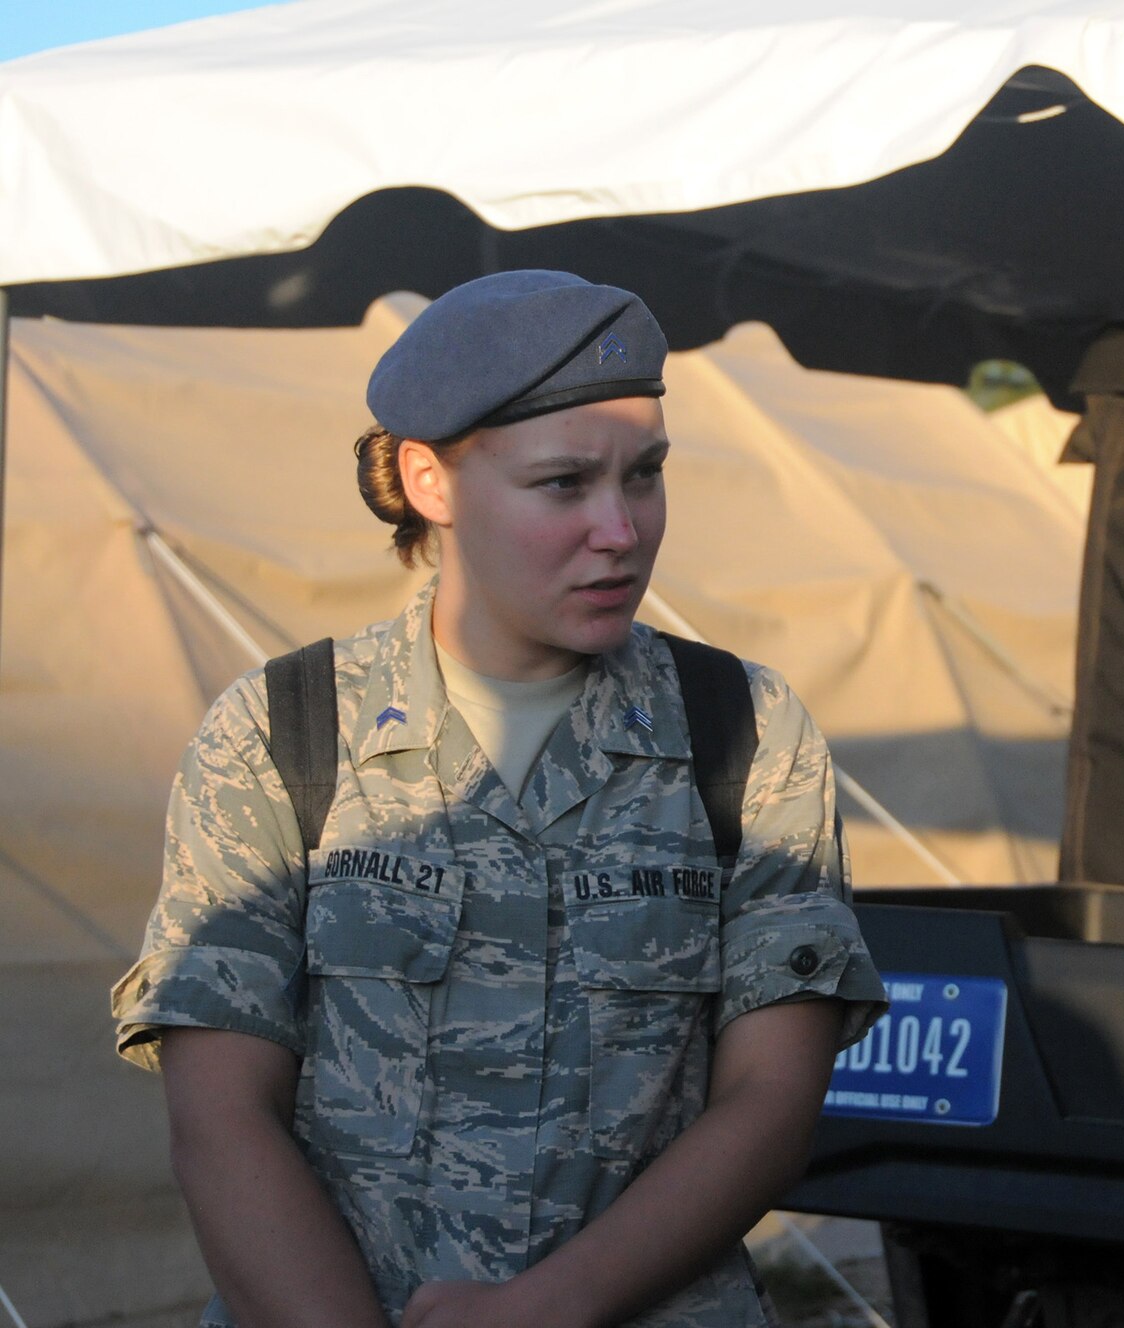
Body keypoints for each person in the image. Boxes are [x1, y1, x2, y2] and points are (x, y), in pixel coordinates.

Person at [110, 270, 886, 1328]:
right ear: (429, 479)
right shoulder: (285, 732)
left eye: (645, 475)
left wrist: (542, 1308)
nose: (620, 530)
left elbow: (770, 1099)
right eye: (564, 485)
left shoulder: (741, 732)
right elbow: (220, 1115)